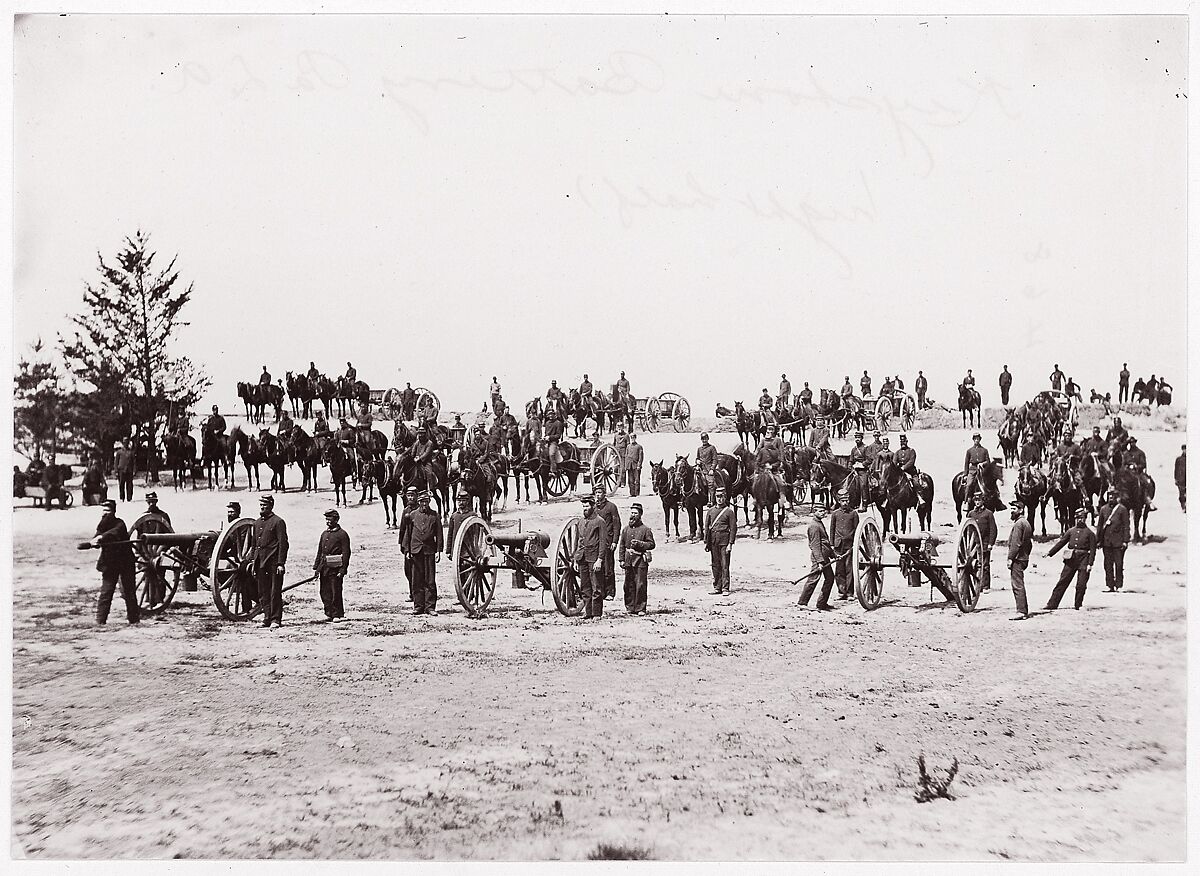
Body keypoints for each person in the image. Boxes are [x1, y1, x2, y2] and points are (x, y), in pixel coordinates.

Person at [87, 500, 140, 625]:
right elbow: (98, 534)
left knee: (129, 591)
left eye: (108, 511)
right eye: (103, 511)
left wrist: (101, 538)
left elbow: (114, 533)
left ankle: (134, 619)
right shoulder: (102, 524)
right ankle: (100, 621)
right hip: (110, 563)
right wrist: (96, 541)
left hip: (125, 562)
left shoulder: (120, 524)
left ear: (113, 512)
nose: (105, 513)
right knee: (106, 591)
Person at [1044, 508, 1096, 610]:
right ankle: (1052, 604)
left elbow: (1093, 550)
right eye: (1078, 518)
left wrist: (1090, 564)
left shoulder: (1090, 533)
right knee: (1062, 581)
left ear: (1085, 519)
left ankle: (1078, 605)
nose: (1080, 520)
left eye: (1082, 518)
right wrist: (1050, 553)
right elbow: (1061, 543)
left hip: (1084, 560)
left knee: (1081, 584)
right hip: (1071, 559)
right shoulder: (1071, 531)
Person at [402, 490, 443, 615]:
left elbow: (439, 534)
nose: (424, 504)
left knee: (430, 580)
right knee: (416, 579)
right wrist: (407, 550)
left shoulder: (434, 515)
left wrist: (438, 551)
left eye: (426, 502)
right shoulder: (412, 515)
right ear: (418, 502)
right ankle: (418, 606)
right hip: (415, 551)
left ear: (429, 502)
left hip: (429, 551)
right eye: (422, 502)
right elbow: (407, 534)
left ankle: (430, 607)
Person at [252, 495, 289, 628]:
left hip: (273, 563)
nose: (262, 507)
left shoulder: (278, 522)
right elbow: (254, 545)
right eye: (261, 505)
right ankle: (267, 617)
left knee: (274, 591)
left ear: (271, 506)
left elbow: (283, 544)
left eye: (265, 505)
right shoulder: (257, 523)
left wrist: (281, 563)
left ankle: (275, 619)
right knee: (263, 591)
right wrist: (253, 562)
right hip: (260, 562)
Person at [573, 494, 610, 618]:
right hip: (582, 558)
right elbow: (578, 541)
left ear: (593, 506)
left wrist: (600, 559)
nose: (584, 508)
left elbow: (603, 542)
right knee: (585, 586)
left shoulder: (600, 522)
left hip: (594, 558)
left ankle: (597, 613)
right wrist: (575, 559)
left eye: (587, 506)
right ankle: (588, 612)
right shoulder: (581, 521)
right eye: (583, 506)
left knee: (596, 587)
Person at [314, 509, 351, 621]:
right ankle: (328, 612)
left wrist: (342, 570)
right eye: (326, 519)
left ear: (336, 520)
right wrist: (316, 567)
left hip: (335, 568)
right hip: (324, 568)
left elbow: (346, 553)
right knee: (324, 591)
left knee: (335, 591)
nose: (328, 522)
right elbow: (320, 551)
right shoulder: (324, 534)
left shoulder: (342, 534)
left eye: (330, 519)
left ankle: (337, 614)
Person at [619, 503, 656, 615]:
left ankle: (640, 608)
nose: (633, 515)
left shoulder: (645, 529)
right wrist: (621, 559)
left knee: (640, 584)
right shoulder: (625, 529)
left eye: (635, 513)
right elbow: (621, 545)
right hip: (628, 560)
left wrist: (640, 544)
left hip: (640, 560)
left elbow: (651, 544)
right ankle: (630, 607)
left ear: (640, 515)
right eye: (632, 513)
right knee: (628, 584)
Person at [798, 506, 835, 611]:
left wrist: (834, 555)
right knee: (813, 578)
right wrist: (819, 562)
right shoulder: (814, 526)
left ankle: (821, 604)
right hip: (818, 557)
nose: (823, 513)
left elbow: (825, 542)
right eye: (821, 511)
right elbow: (815, 545)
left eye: (824, 511)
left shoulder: (819, 523)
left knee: (830, 578)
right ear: (815, 512)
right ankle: (802, 602)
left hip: (824, 556)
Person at [704, 487, 737, 595]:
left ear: (725, 497)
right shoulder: (711, 511)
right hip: (713, 541)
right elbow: (707, 527)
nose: (719, 499)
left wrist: (730, 544)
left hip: (724, 541)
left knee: (724, 565)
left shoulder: (729, 512)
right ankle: (717, 587)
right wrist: (706, 542)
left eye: (721, 497)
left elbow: (733, 528)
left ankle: (725, 588)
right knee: (715, 565)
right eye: (717, 497)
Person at [1095, 489, 1129, 592]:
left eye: (1113, 497)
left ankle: (1119, 585)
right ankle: (1110, 585)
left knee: (1119, 565)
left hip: (1118, 543)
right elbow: (1100, 526)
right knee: (1107, 565)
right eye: (1109, 497)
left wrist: (1125, 541)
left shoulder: (1122, 509)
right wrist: (1098, 540)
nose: (1111, 499)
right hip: (1106, 542)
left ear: (1116, 498)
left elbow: (1126, 526)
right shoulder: (1103, 509)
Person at [593, 484, 621, 601]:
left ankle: (610, 592)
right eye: (596, 493)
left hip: (608, 542)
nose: (598, 495)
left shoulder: (611, 507)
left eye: (600, 492)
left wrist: (615, 541)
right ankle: (600, 591)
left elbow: (616, 525)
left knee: (608, 568)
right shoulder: (593, 507)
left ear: (604, 493)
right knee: (598, 567)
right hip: (596, 542)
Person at [1006, 500, 1033, 619]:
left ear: (1021, 510)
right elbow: (1029, 544)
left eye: (1014, 509)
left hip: (1017, 559)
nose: (1012, 511)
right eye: (1011, 509)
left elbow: (1015, 543)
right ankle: (1023, 610)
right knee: (1019, 584)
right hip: (1023, 558)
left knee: (1017, 585)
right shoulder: (1026, 523)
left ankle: (1021, 611)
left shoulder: (1019, 524)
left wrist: (1010, 558)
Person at [829, 497, 859, 600]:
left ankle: (850, 593)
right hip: (838, 545)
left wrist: (855, 545)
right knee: (839, 569)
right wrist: (832, 544)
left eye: (847, 500)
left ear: (849, 501)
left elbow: (857, 530)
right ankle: (841, 592)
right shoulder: (835, 514)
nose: (845, 503)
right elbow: (832, 529)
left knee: (849, 569)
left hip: (849, 545)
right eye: (843, 501)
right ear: (839, 502)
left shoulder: (853, 513)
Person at [967, 494, 997, 591]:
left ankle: (985, 586)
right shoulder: (971, 514)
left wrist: (990, 543)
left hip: (984, 543)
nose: (977, 502)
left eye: (979, 500)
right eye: (976, 501)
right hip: (974, 544)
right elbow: (967, 529)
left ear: (983, 501)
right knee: (975, 564)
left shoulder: (988, 514)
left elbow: (993, 529)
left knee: (985, 565)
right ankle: (977, 585)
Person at [397, 486, 419, 601]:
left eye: (412, 495)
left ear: (417, 496)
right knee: (408, 570)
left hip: (417, 544)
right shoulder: (405, 510)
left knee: (418, 571)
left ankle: (418, 594)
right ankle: (411, 593)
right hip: (407, 544)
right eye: (409, 496)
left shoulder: (420, 510)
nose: (410, 498)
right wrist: (401, 543)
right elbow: (402, 528)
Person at [446, 492, 473, 559]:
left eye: (463, 500)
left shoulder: (472, 515)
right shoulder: (454, 516)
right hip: (456, 549)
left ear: (467, 502)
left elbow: (475, 535)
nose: (461, 502)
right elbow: (450, 534)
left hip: (468, 551)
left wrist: (473, 551)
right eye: (459, 501)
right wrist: (448, 551)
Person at [963, 432, 990, 497]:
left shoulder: (984, 450)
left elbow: (988, 461)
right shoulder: (969, 451)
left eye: (978, 439)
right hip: (973, 470)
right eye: (975, 439)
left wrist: (983, 464)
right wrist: (965, 474)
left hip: (982, 470)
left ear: (980, 440)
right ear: (973, 440)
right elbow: (966, 463)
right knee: (969, 484)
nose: (976, 440)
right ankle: (966, 500)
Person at [697, 432, 718, 504]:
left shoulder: (712, 448)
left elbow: (715, 459)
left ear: (708, 439)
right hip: (701, 469)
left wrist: (712, 469)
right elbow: (697, 458)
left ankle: (711, 500)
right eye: (703, 439)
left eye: (705, 439)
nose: (704, 440)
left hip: (709, 470)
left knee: (710, 484)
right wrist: (697, 462)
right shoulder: (699, 449)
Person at [1175, 445, 1186, 512]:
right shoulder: (1179, 459)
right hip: (1181, 480)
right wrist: (1176, 479)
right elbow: (1176, 469)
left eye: (1186, 449)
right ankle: (1183, 507)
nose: (1185, 451)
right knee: (1181, 495)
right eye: (1184, 449)